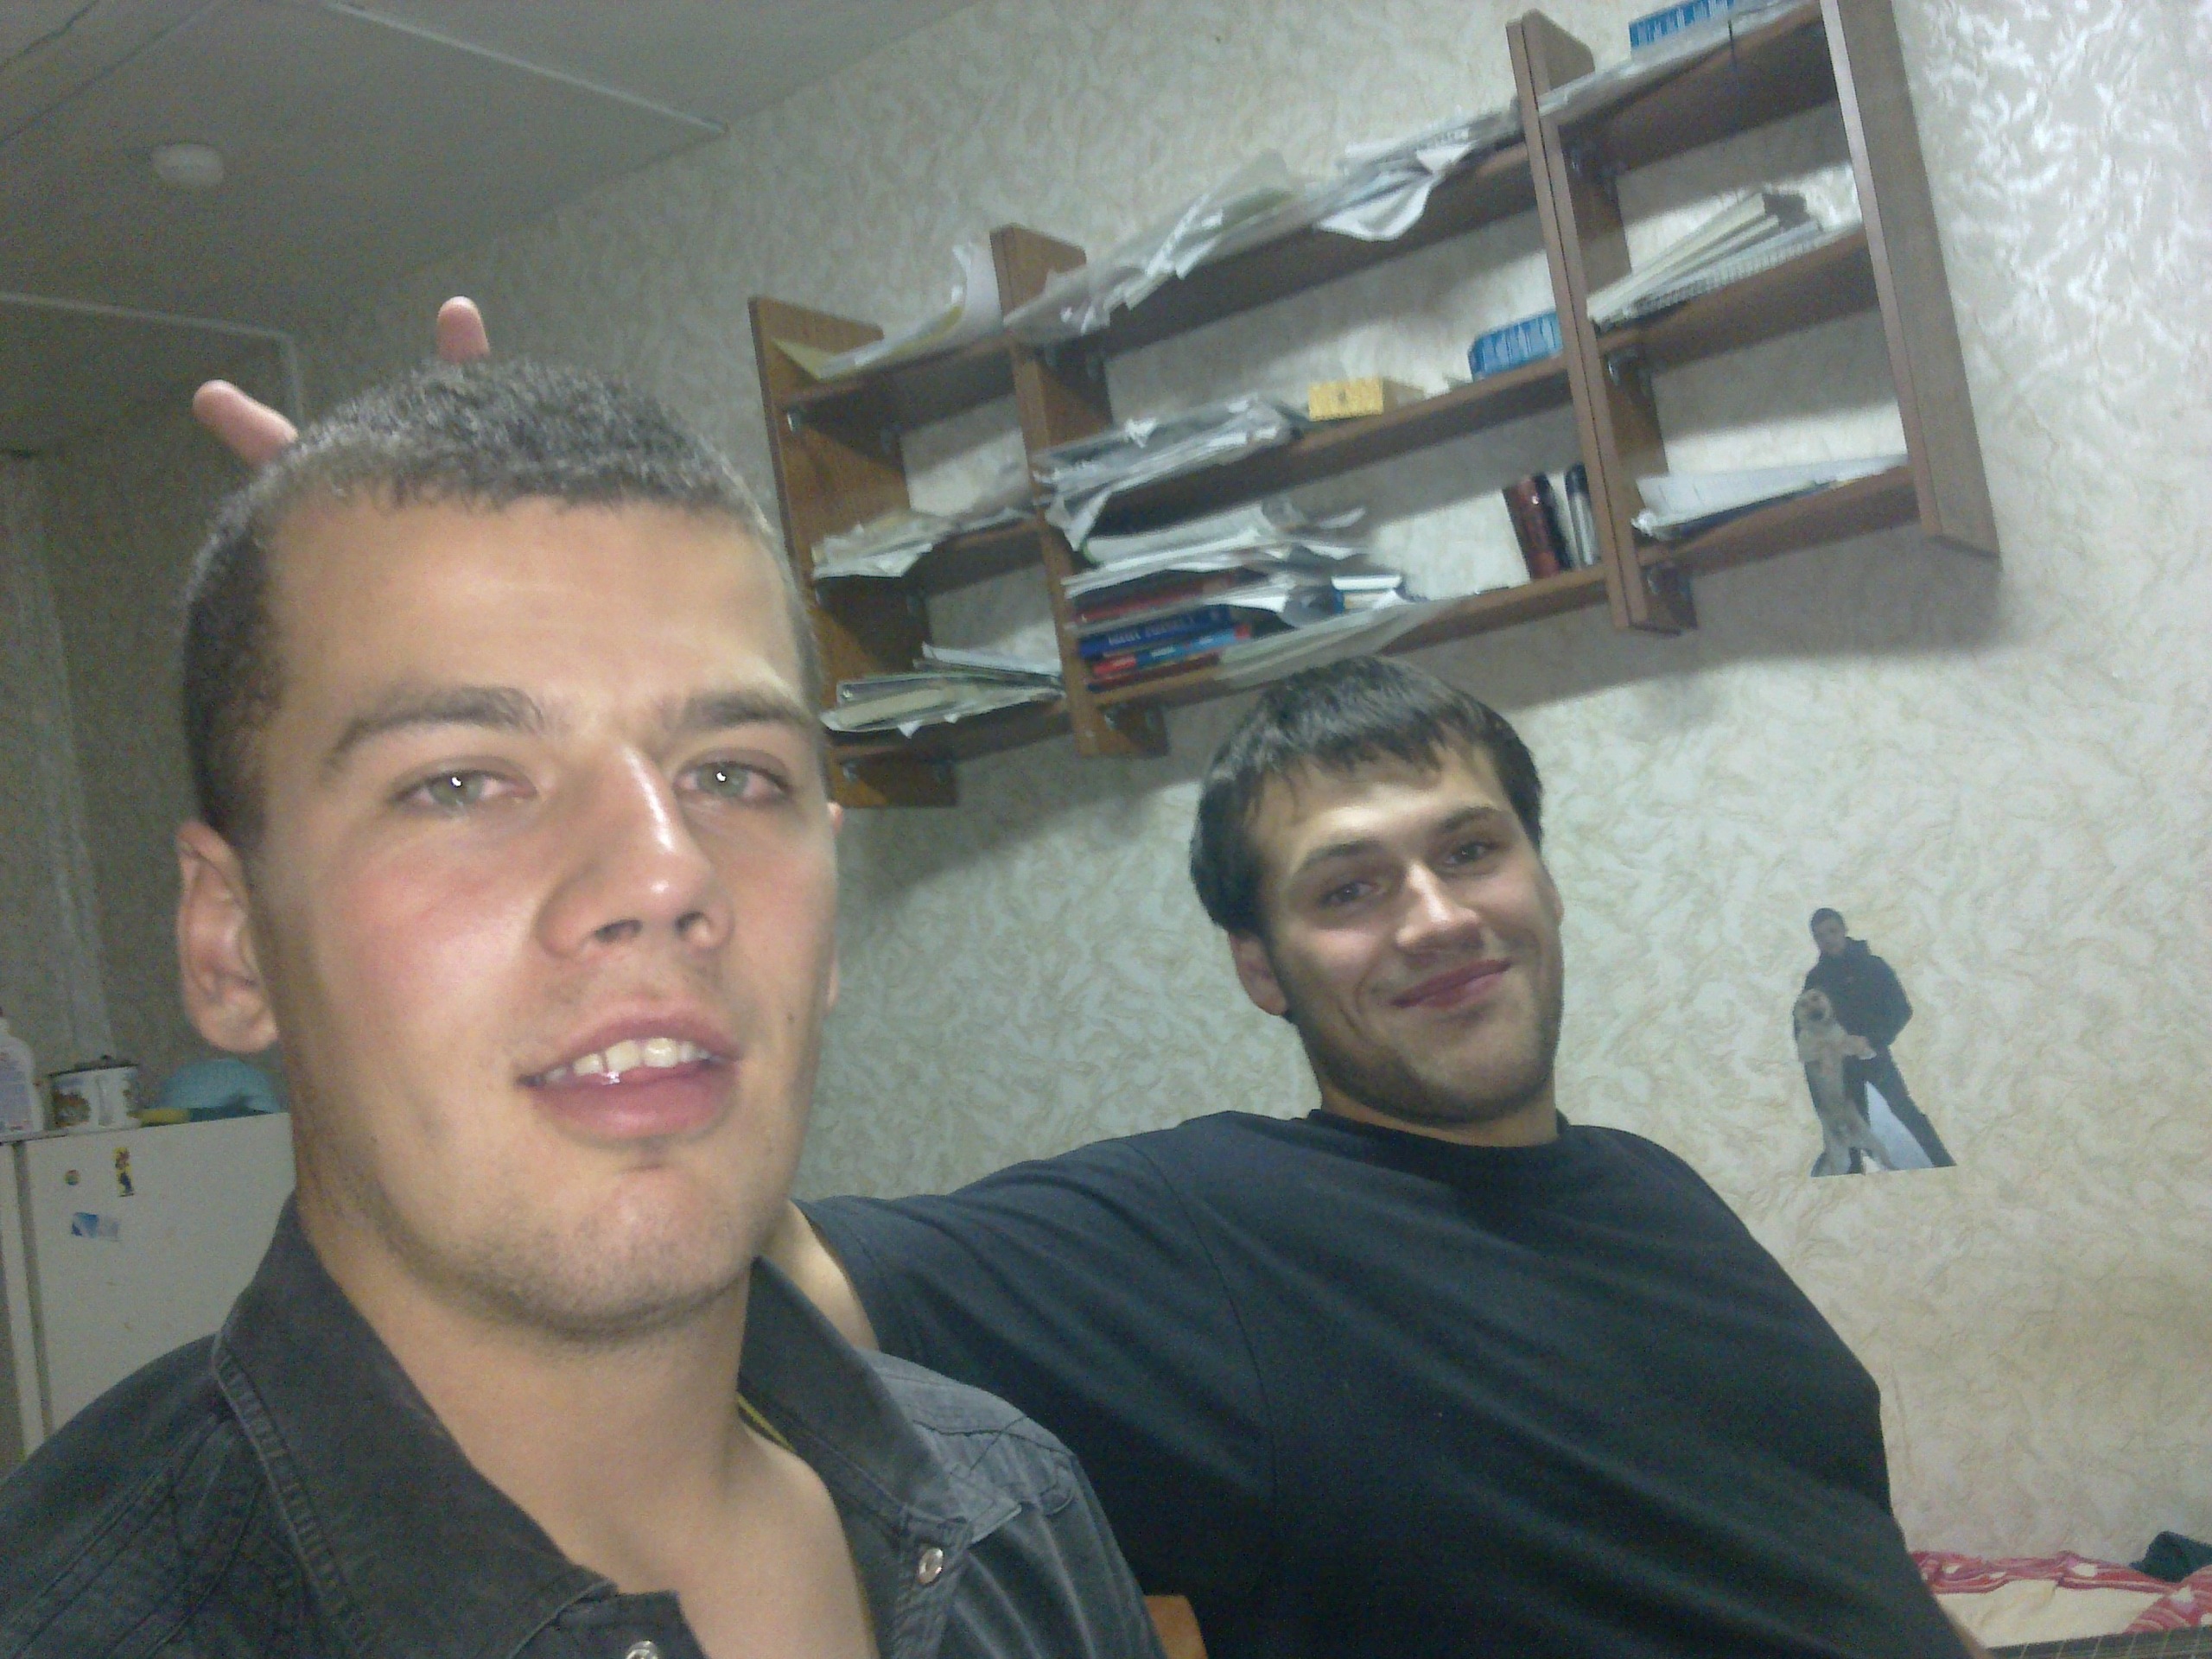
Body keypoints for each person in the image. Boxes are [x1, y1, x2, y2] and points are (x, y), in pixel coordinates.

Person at [191, 312, 1987, 1659]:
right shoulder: (1205, 1243)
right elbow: (735, 1262)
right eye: (1348, 890)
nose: (1438, 918)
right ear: (1257, 970)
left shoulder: (1654, 1197)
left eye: (1471, 849)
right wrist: (433, 586)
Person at [0, 359, 1162, 1659]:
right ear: (231, 943)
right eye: (458, 784)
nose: (667, 875)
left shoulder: (1021, 1514)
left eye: (732, 774)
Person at [1805, 907, 1955, 1168]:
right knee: (1851, 1127)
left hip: (1875, 1057)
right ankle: (1855, 1182)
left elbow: (1901, 1009)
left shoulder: (1873, 967)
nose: (1828, 939)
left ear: (1844, 930)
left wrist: (1871, 1040)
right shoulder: (1815, 979)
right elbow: (1804, 1026)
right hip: (1840, 1067)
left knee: (1905, 1111)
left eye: (1832, 931)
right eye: (1820, 936)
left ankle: (1945, 1165)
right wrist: (1825, 1052)